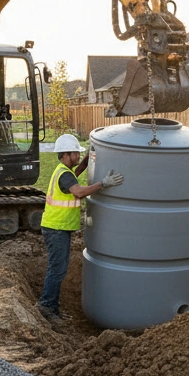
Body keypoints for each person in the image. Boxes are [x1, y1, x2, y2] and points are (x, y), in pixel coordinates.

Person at [37, 134, 123, 327]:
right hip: (56, 228)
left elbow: (79, 170)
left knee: (58, 268)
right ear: (66, 154)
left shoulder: (65, 170)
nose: (77, 156)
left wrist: (89, 155)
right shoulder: (65, 175)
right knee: (57, 270)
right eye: (76, 153)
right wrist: (103, 184)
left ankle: (53, 307)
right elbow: (79, 192)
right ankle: (46, 306)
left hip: (58, 227)